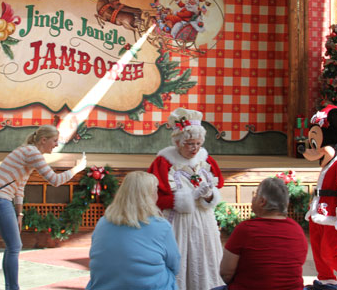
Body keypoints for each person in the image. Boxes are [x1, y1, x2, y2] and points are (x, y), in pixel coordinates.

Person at [0, 124, 87, 290]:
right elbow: (54, 180)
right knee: (14, 246)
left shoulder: (28, 152)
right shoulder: (32, 152)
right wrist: (77, 168)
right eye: (54, 141)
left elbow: (20, 186)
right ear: (43, 140)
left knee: (12, 246)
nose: (56, 144)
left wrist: (19, 215)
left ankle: (11, 287)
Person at [148, 107, 225, 290]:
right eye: (190, 144)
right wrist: (189, 198)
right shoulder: (164, 162)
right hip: (178, 223)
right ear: (178, 142)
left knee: (205, 258)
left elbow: (217, 186)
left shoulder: (205, 161)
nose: (195, 148)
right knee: (180, 260)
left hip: (204, 222)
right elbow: (156, 198)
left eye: (198, 143)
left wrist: (209, 196)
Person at [86, 171, 181, 290]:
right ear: (149, 195)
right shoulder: (161, 226)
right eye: (156, 190)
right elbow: (175, 266)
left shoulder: (102, 223)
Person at [302, 105, 337, 290]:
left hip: (334, 214)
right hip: (320, 212)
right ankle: (327, 281)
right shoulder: (329, 163)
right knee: (319, 251)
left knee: (330, 251)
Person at [218, 177, 308, 290]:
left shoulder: (245, 229)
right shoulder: (297, 230)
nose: (253, 198)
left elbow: (226, 273)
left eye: (255, 195)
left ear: (262, 202)